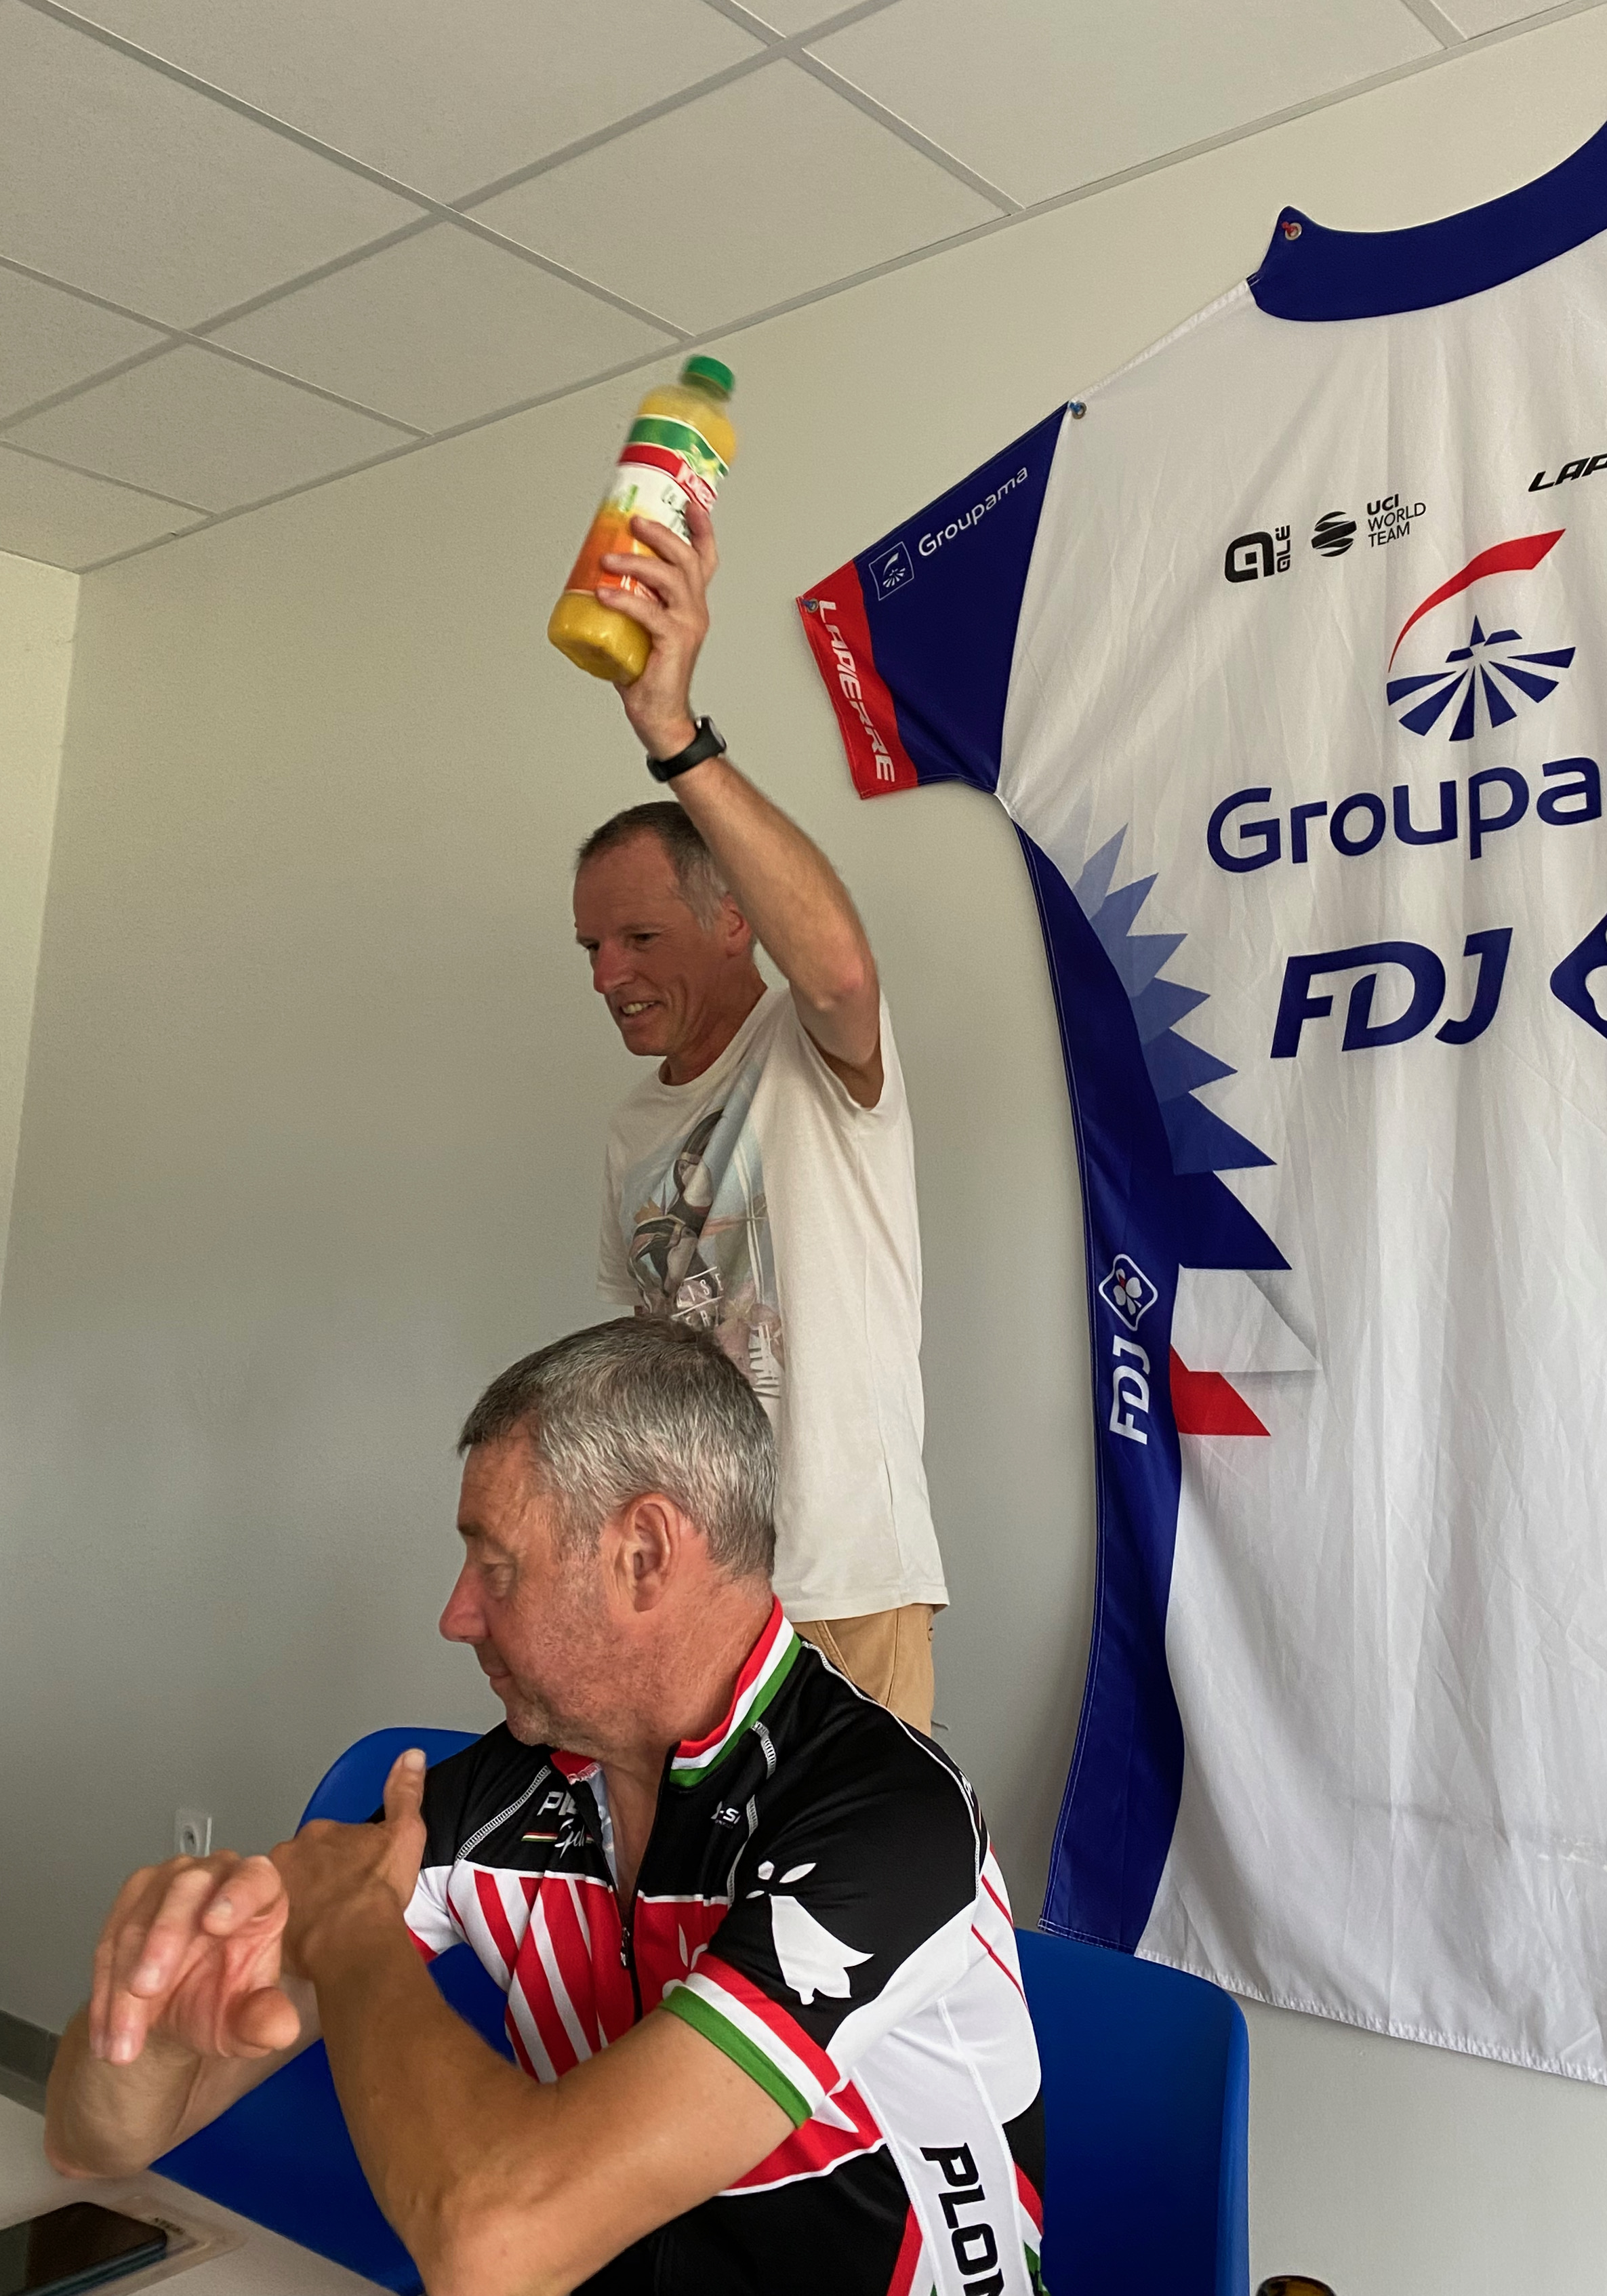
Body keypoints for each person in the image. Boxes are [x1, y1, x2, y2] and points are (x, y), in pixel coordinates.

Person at [44, 1321, 1044, 2295]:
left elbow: (497, 2252)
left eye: (496, 1567)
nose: (455, 1616)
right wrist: (149, 2009)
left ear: (643, 1554)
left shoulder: (889, 1819)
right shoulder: (499, 1794)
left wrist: (350, 1929)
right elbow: (96, 2143)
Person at [573, 496, 945, 1733]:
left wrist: (673, 735)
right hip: (693, 1597)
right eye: (589, 947)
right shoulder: (630, 1129)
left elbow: (837, 969)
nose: (607, 975)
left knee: (862, 1864)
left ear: (732, 921)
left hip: (840, 1587)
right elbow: (643, 1363)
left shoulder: (812, 1052)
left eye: (638, 937)